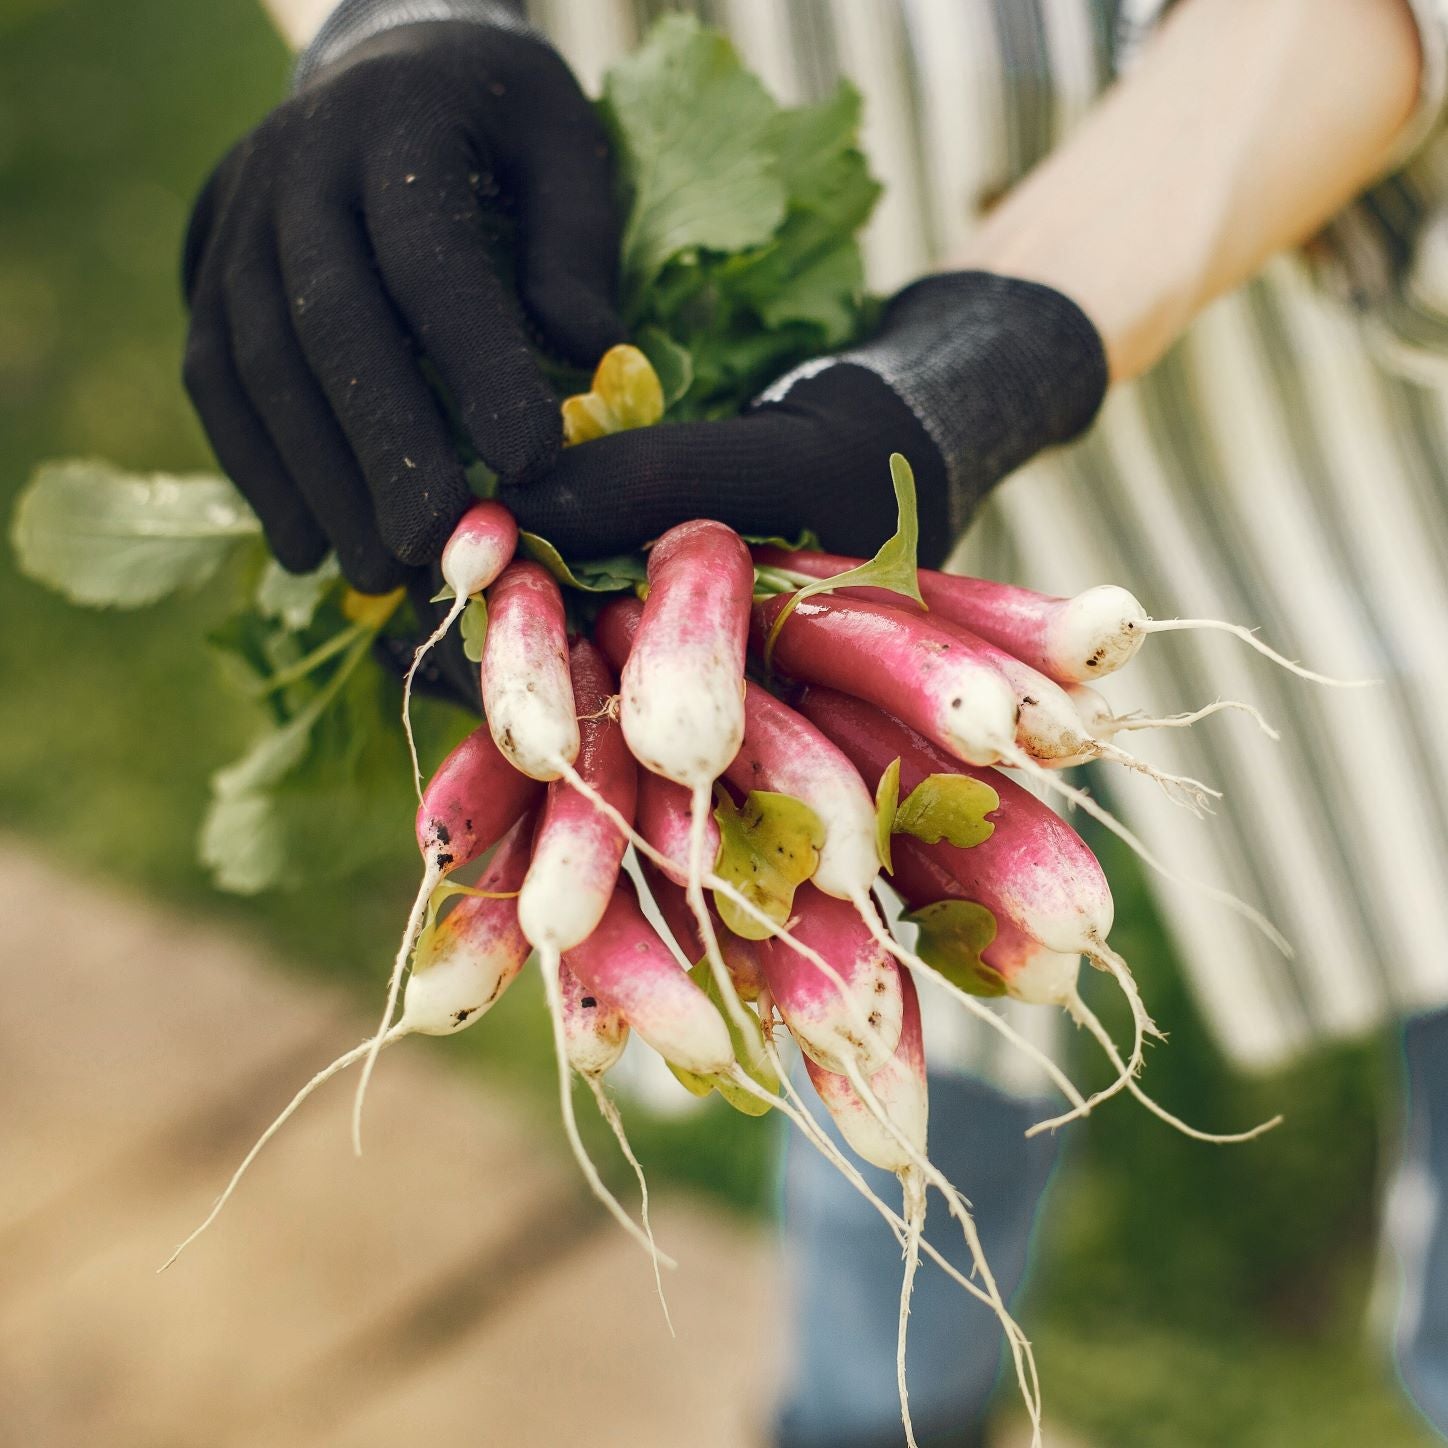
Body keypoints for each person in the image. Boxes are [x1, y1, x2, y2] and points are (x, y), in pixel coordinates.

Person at [182, 1, 1448, 1443]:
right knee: (852, 1035)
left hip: (1324, 375)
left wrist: (1002, 348)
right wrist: (391, 33)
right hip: (676, 377)